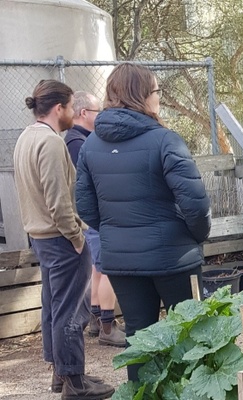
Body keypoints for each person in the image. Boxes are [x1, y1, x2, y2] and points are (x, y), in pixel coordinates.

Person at [75, 63, 211, 381]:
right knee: (190, 334)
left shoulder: (91, 145)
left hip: (121, 260)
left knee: (139, 336)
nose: (158, 99)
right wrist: (194, 236)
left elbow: (86, 207)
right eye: (156, 92)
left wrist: (115, 229)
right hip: (173, 258)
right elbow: (195, 203)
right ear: (143, 96)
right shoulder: (165, 140)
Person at [14, 80, 115, 399]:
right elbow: (58, 201)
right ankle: (75, 382)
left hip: (41, 238)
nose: (74, 112)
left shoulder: (25, 138)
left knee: (54, 308)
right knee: (72, 311)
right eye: (71, 106)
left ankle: (64, 375)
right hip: (61, 238)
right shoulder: (52, 143)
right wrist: (76, 237)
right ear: (59, 109)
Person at [64, 91, 126, 347]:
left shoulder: (79, 140)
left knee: (97, 269)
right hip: (96, 217)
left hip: (91, 218)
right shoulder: (78, 144)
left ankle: (97, 320)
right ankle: (108, 327)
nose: (100, 116)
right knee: (107, 268)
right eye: (97, 111)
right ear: (84, 113)